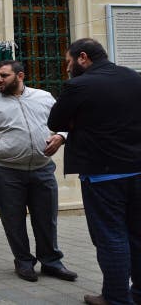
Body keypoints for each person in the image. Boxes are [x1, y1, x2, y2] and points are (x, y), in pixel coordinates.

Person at [48, 38, 141, 305]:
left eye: (68, 62)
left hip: (103, 175)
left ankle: (115, 298)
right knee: (137, 234)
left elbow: (55, 121)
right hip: (137, 170)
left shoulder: (79, 85)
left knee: (111, 237)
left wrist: (79, 120)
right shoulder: (133, 77)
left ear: (83, 58)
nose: (66, 69)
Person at [0, 60, 77, 283]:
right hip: (5, 172)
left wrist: (61, 137)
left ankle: (51, 262)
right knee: (13, 220)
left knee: (47, 219)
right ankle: (24, 262)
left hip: (43, 169)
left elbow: (67, 122)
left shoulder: (44, 97)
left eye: (4, 75)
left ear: (20, 76)